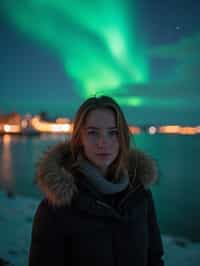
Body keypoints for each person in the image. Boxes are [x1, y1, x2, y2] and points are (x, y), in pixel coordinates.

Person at [29, 95, 164, 266]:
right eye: (93, 132)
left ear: (122, 137)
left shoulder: (140, 195)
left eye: (112, 132)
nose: (103, 142)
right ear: (79, 138)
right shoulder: (57, 207)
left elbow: (154, 257)